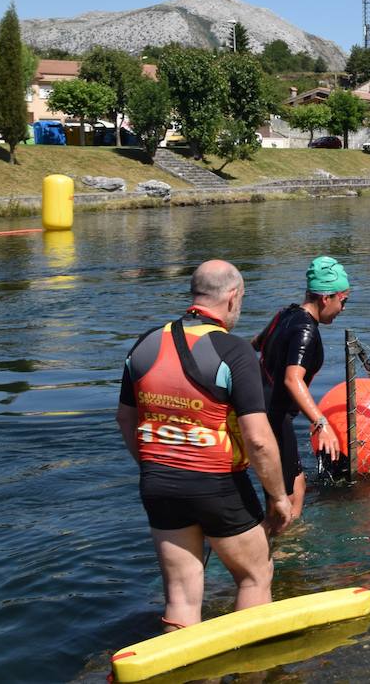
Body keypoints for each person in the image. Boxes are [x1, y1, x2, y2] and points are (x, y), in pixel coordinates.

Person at [116, 260, 293, 630]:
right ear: (232, 298)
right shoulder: (234, 351)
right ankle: (251, 668)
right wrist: (277, 497)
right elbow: (258, 440)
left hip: (158, 482)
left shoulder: (146, 344)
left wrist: (156, 465)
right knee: (255, 575)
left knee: (180, 595)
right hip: (217, 483)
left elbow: (125, 419)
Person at [254, 256, 351, 522]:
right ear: (326, 298)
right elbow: (292, 379)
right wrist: (322, 424)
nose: (343, 308)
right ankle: (278, 555)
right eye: (343, 301)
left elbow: (255, 344)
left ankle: (286, 546)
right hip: (273, 419)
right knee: (283, 502)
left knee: (296, 485)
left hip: (257, 411)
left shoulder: (284, 314)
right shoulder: (306, 331)